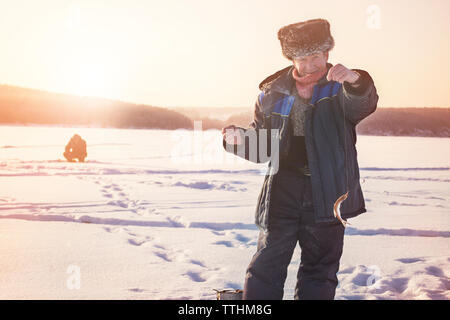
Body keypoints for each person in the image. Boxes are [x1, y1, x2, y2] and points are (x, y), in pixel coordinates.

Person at [221, 18, 378, 300]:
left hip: (329, 193)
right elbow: (263, 149)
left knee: (319, 269)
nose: (310, 65)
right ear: (292, 58)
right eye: (302, 58)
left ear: (327, 54)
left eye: (316, 56)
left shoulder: (339, 87)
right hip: (283, 190)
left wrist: (357, 81)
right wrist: (239, 141)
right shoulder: (272, 93)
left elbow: (362, 102)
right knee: (266, 264)